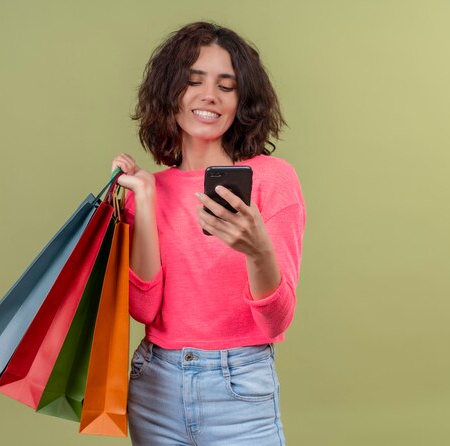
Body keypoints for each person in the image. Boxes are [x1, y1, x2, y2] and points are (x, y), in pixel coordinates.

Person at [111, 21, 305, 445]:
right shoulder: (149, 190)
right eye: (193, 81)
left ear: (242, 101)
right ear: (170, 94)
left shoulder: (273, 181)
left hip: (240, 390)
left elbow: (276, 319)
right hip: (155, 387)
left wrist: (258, 252)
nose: (209, 97)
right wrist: (144, 200)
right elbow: (144, 309)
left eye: (226, 86)